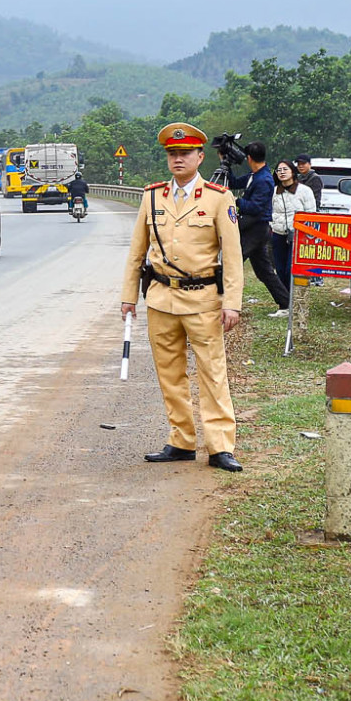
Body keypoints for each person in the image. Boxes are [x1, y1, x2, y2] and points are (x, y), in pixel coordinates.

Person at [120, 122, 247, 471]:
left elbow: (232, 256)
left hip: (204, 299)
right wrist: (128, 297)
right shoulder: (151, 196)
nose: (178, 159)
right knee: (170, 374)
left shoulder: (219, 198)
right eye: (172, 154)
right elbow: (136, 253)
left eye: (185, 153)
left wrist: (232, 303)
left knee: (212, 373)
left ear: (199, 157)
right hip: (161, 299)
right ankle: (181, 440)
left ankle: (220, 446)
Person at [231, 141, 291, 311]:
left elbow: (256, 208)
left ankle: (223, 300)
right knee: (264, 272)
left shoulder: (264, 180)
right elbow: (234, 182)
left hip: (257, 228)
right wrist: (225, 163)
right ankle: (286, 303)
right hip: (254, 229)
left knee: (232, 262)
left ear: (249, 158)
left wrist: (235, 201)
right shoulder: (254, 175)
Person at [268, 160, 311, 313]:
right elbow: (269, 211)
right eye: (279, 170)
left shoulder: (304, 191)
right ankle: (285, 304)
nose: (282, 172)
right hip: (278, 233)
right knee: (279, 269)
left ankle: (297, 302)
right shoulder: (273, 192)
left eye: (285, 169)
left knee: (290, 269)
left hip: (298, 234)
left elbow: (311, 213)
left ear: (293, 172)